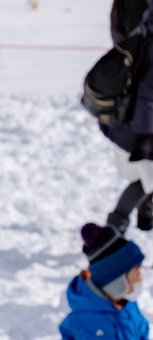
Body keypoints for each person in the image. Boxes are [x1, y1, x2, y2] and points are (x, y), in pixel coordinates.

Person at [3, 224, 153, 340]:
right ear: (117, 281)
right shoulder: (90, 316)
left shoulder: (127, 305)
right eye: (136, 272)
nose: (141, 278)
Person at [105, 0, 153, 232]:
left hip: (130, 109)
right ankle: (113, 233)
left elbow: (118, 40)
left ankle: (114, 231)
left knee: (141, 177)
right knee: (144, 176)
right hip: (141, 114)